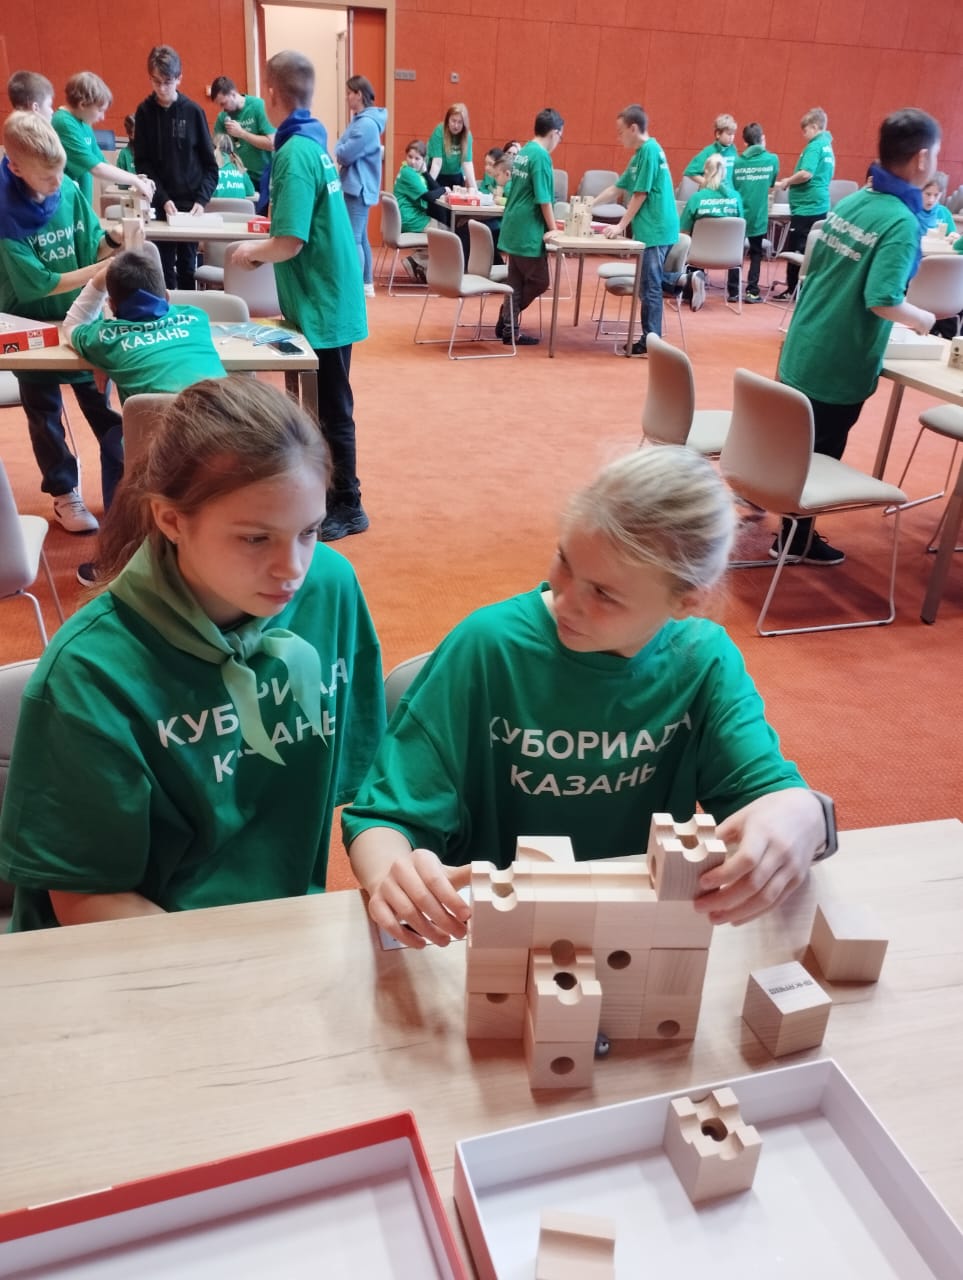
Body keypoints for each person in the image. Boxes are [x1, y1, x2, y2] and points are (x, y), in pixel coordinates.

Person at [343, 446, 831, 949]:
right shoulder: (487, 647)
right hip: (489, 932)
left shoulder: (703, 660)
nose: (566, 600)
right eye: (564, 560)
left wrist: (802, 813)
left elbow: (772, 796)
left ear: (688, 600)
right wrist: (390, 872)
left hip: (633, 935)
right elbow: (384, 818)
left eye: (604, 594)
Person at [0, 377, 385, 933]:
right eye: (255, 538)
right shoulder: (89, 672)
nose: (293, 569)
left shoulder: (330, 588)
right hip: (134, 948)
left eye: (309, 531)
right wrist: (232, 970)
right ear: (171, 520)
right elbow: (89, 900)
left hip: (274, 932)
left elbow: (369, 791)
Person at [777, 108, 940, 565]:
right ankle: (795, 539)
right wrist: (924, 319)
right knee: (821, 451)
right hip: (838, 359)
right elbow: (882, 300)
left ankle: (787, 525)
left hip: (806, 342)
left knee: (797, 443)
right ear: (922, 158)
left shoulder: (854, 202)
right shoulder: (900, 221)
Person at [230, 50, 369, 544]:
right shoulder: (310, 141)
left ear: (270, 94)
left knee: (331, 407)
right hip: (326, 295)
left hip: (324, 301)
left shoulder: (294, 153)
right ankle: (320, 492)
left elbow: (289, 242)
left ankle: (348, 502)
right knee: (317, 404)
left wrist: (249, 253)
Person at [0, 111, 123, 535]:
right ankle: (63, 490)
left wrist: (113, 241)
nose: (57, 183)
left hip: (81, 319)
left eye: (60, 172)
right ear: (16, 168)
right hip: (29, 324)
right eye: (46, 177)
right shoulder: (5, 213)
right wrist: (99, 273)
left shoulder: (67, 188)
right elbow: (39, 283)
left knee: (100, 404)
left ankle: (124, 486)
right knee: (44, 413)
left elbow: (91, 245)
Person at [64, 247, 227, 400]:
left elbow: (72, 324)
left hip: (157, 421)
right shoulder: (196, 317)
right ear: (167, 297)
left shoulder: (106, 338)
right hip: (225, 415)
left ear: (111, 306)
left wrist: (99, 280)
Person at [591, 104, 680, 357]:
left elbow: (640, 194)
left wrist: (621, 225)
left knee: (650, 287)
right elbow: (618, 188)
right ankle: (682, 281)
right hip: (650, 229)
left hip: (656, 229)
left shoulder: (650, 151)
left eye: (620, 132)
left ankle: (651, 342)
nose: (618, 137)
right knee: (647, 284)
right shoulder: (639, 155)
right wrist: (589, 204)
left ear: (633, 128)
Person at [134, 45, 218, 290]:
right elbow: (143, 163)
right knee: (162, 268)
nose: (162, 89)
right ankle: (168, 310)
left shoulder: (193, 111)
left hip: (190, 207)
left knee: (187, 268)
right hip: (160, 202)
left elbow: (210, 167)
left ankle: (187, 310)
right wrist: (162, 198)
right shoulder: (144, 112)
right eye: (156, 82)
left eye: (168, 82)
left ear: (179, 78)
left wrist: (201, 200)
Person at [495, 107, 564, 348]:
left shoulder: (524, 152)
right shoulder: (541, 156)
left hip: (513, 224)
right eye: (560, 136)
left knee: (515, 281)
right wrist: (553, 228)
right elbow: (544, 199)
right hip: (527, 229)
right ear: (554, 133)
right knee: (540, 280)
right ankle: (507, 316)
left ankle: (509, 328)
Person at [51, 72, 155, 208]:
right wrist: (134, 180)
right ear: (83, 104)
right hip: (65, 204)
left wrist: (135, 178)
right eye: (100, 110)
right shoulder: (64, 123)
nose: (102, 117)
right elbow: (97, 169)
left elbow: (102, 162)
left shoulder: (84, 123)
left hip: (81, 202)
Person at [772, 107, 835, 298]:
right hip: (819, 204)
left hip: (807, 207)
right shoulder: (828, 146)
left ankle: (793, 290)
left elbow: (806, 173)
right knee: (811, 249)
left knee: (797, 248)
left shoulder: (815, 146)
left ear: (814, 127)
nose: (804, 134)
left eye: (805, 130)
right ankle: (805, 289)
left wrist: (787, 182)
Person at [335, 75, 387, 299]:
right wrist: (341, 146)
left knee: (353, 238)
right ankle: (366, 283)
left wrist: (340, 146)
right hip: (356, 185)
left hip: (358, 187)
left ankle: (355, 287)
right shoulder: (361, 120)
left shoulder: (365, 124)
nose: (347, 97)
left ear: (359, 94)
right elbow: (342, 148)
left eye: (349, 93)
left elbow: (343, 153)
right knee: (361, 237)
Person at [679, 154, 744, 304]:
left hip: (699, 256)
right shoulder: (736, 198)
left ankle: (690, 291)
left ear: (706, 173)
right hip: (730, 256)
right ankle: (734, 292)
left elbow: (684, 232)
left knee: (686, 241)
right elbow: (741, 229)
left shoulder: (697, 198)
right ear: (725, 173)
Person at [731, 122, 780, 303]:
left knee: (735, 252)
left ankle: (733, 292)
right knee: (756, 253)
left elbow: (733, 185)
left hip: (739, 213)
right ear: (762, 138)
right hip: (759, 215)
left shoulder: (736, 162)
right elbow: (771, 183)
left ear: (744, 142)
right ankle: (752, 291)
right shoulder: (772, 159)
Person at [210, 76, 276, 190]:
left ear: (233, 94)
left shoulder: (258, 106)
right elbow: (216, 149)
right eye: (220, 105)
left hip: (265, 177)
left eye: (224, 103)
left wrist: (242, 133)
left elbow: (272, 144)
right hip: (241, 178)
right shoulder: (223, 117)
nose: (223, 108)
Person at [427, 103, 477, 190]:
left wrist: (475, 189)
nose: (456, 126)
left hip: (456, 176)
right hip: (438, 175)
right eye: (453, 121)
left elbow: (467, 163)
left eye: (460, 122)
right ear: (448, 120)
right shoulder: (439, 131)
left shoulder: (467, 136)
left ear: (464, 123)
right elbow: (437, 163)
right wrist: (429, 186)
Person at [683, 114, 738, 187]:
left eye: (733, 134)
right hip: (714, 193)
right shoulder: (708, 151)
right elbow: (690, 172)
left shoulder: (733, 150)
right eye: (729, 134)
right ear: (718, 134)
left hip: (729, 192)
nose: (732, 137)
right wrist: (709, 184)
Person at [213, 133, 256, 199]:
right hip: (240, 206)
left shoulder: (209, 170)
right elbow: (250, 191)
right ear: (231, 149)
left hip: (215, 206)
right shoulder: (240, 168)